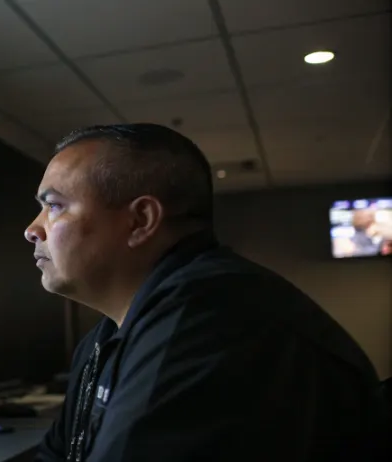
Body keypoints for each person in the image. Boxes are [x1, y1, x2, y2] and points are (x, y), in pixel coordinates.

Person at [24, 124, 390, 462]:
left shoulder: (212, 324)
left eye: (54, 205)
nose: (32, 229)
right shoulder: (103, 341)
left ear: (140, 222)